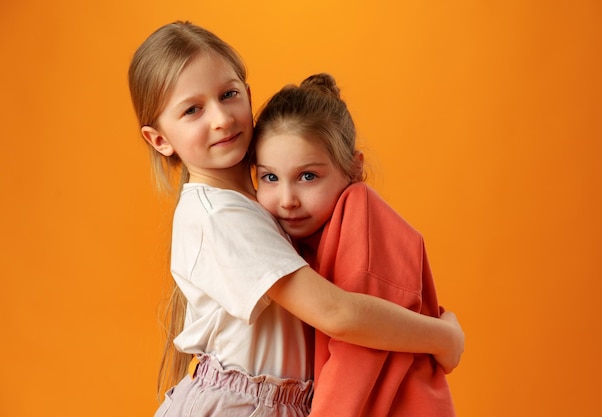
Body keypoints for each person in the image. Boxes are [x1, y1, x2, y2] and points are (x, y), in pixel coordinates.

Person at [128, 21, 464, 417]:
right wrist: (442, 337)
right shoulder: (219, 215)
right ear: (160, 140)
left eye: (228, 94)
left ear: (248, 96)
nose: (220, 118)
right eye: (192, 109)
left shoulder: (256, 205)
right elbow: (336, 313)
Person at [253, 73, 458, 416]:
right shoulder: (304, 236)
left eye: (308, 176)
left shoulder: (360, 217)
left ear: (353, 168)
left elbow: (357, 350)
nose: (287, 199)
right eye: (270, 177)